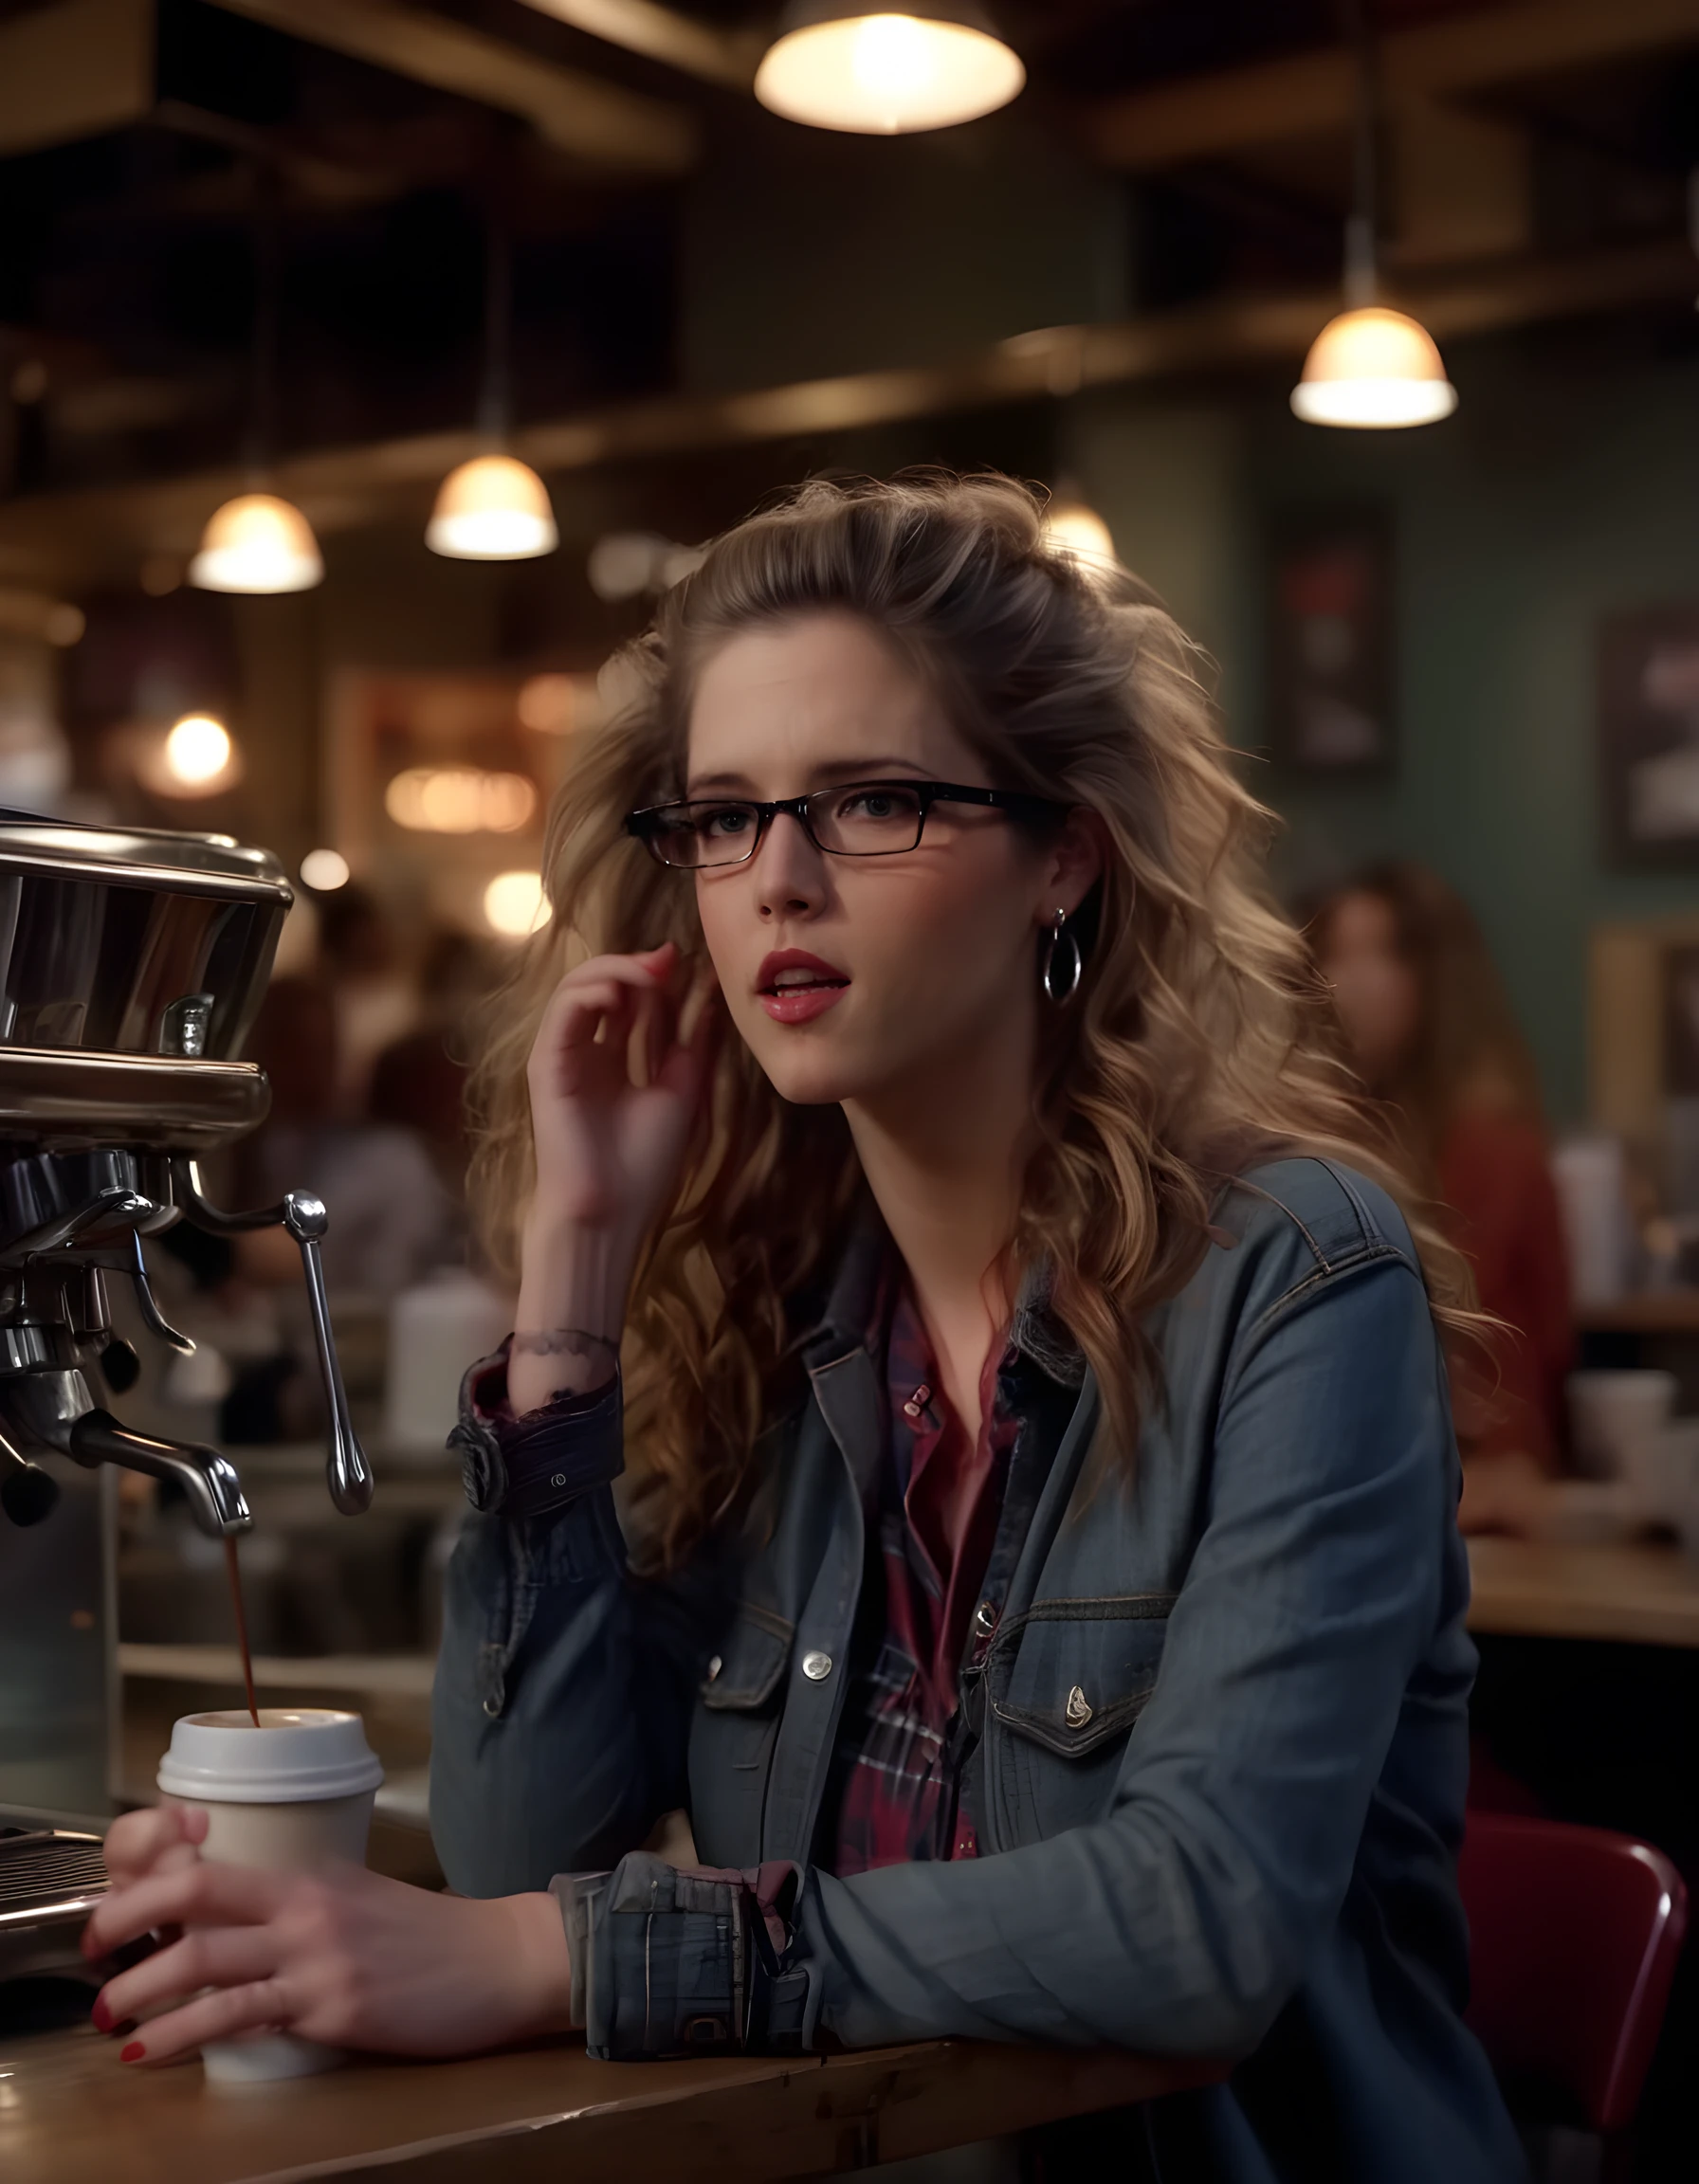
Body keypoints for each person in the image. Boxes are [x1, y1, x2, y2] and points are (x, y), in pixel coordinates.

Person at [81, 476, 1521, 2182]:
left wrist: (563, 1954)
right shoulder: (774, 1309)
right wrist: (577, 1267)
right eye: (722, 816)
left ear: (1063, 850)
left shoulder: (1294, 1274)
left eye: (872, 802)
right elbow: (522, 1838)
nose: (777, 878)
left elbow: (1195, 1924)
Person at [1308, 864, 1573, 1535]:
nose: (1349, 982)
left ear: (1435, 977)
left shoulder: (1490, 1145)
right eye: (1334, 953)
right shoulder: (1318, 1139)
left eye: (1382, 954)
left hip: (1479, 1503)